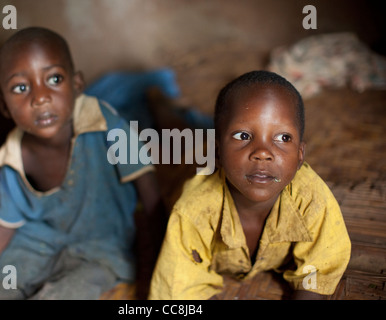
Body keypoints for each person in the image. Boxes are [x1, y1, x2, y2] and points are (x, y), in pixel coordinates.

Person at [0, 26, 165, 300]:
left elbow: (150, 195)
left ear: (77, 85)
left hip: (100, 248)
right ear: (4, 106)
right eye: (21, 87)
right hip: (36, 244)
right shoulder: (14, 157)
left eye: (54, 78)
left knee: (67, 294)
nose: (40, 97)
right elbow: (4, 225)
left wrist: (158, 266)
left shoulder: (106, 124)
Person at [148, 70, 351, 300]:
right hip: (195, 160)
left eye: (283, 138)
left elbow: (318, 270)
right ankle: (159, 103)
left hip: (219, 149)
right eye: (243, 135)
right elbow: (181, 289)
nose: (263, 152)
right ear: (218, 151)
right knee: (177, 136)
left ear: (300, 154)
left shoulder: (312, 198)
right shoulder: (193, 210)